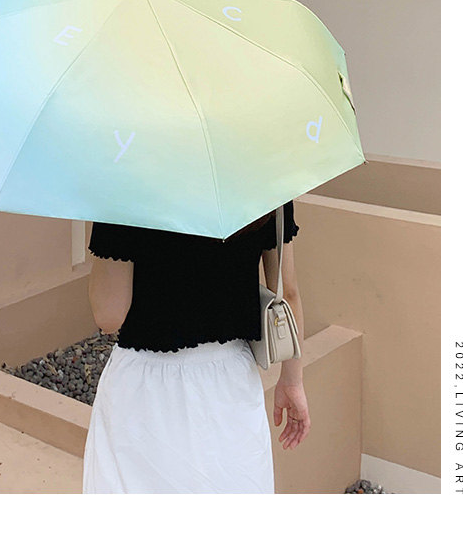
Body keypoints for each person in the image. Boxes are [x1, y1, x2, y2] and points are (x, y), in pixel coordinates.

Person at [81, 200, 311, 494]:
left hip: (144, 390)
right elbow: (287, 293)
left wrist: (103, 226)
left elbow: (108, 315)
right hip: (232, 386)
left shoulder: (127, 189)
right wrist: (292, 382)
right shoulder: (263, 184)